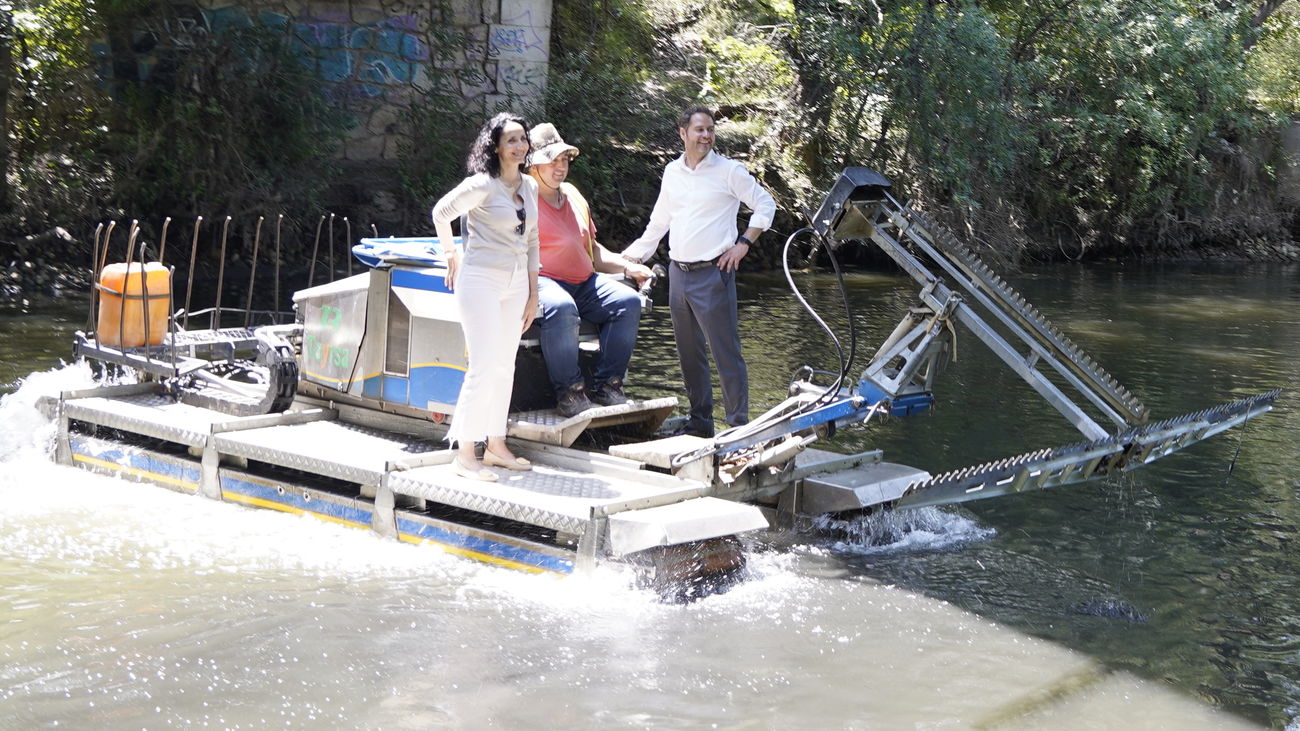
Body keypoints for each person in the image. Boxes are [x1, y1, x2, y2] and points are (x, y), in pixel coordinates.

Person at [620, 106, 776, 438]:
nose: (706, 136)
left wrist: (744, 242)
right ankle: (700, 423)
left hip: (714, 273)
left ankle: (737, 428)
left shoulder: (729, 171)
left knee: (725, 353)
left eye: (710, 130)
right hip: (679, 274)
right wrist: (628, 257)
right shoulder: (672, 172)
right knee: (689, 355)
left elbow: (766, 204)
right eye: (699, 130)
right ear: (683, 133)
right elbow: (659, 223)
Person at [431, 112, 540, 482]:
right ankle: (465, 453)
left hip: (516, 286)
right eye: (511, 140)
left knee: (505, 364)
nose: (519, 146)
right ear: (495, 147)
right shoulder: (481, 185)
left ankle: (496, 446)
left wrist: (533, 293)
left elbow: (533, 240)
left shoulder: (530, 187)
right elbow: (440, 213)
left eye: (523, 139)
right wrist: (451, 256)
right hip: (480, 281)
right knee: (482, 366)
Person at [527, 123, 654, 417]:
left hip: (585, 282)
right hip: (543, 282)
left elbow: (592, 251)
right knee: (562, 307)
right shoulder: (521, 198)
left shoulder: (572, 195)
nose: (560, 167)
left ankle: (607, 386)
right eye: (552, 160)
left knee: (628, 302)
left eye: (564, 160)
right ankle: (569, 392)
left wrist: (629, 267)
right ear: (533, 164)